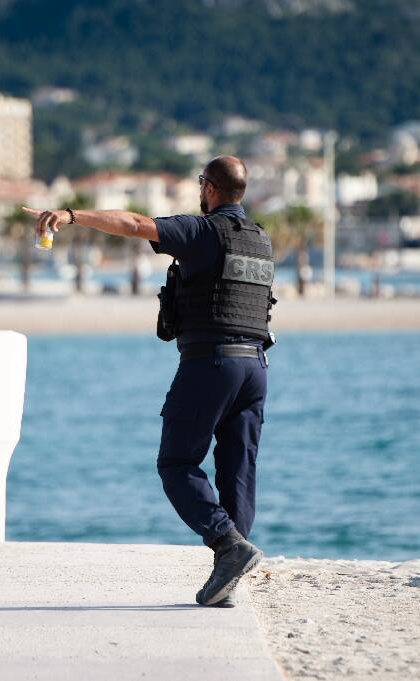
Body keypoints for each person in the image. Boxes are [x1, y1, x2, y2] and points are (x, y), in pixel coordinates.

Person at [22, 155, 275, 607]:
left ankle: (229, 548)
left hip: (211, 363)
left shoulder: (201, 232)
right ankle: (230, 569)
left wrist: (73, 215)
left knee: (176, 464)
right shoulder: (260, 241)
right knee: (237, 470)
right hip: (255, 368)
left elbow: (136, 224)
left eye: (202, 184)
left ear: (211, 189)